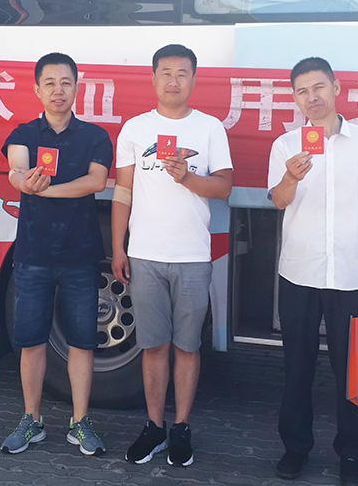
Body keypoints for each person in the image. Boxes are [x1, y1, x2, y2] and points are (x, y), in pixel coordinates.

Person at [267, 57, 358, 485]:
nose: (312, 97)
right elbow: (279, 200)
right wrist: (291, 177)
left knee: (352, 371)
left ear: (336, 88)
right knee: (297, 367)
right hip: (299, 272)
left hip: (351, 272)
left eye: (319, 87)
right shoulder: (286, 145)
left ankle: (353, 454)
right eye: (302, 91)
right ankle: (295, 448)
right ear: (294, 98)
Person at [112, 44, 233, 467]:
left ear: (194, 79)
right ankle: (154, 427)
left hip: (193, 257)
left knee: (187, 346)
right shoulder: (135, 128)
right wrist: (118, 247)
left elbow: (224, 187)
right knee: (153, 346)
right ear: (153, 78)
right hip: (144, 255)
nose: (173, 81)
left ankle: (181, 427)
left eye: (182, 73)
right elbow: (122, 192)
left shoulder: (210, 128)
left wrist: (188, 178)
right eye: (166, 72)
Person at [0, 52, 112, 456]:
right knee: (32, 342)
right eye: (49, 83)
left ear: (77, 88)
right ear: (37, 89)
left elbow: (95, 181)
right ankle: (31, 420)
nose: (58, 90)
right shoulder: (24, 133)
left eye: (65, 82)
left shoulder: (94, 136)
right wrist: (23, 182)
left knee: (82, 342)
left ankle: (80, 423)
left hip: (80, 255)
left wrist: (46, 192)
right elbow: (15, 169)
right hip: (33, 255)